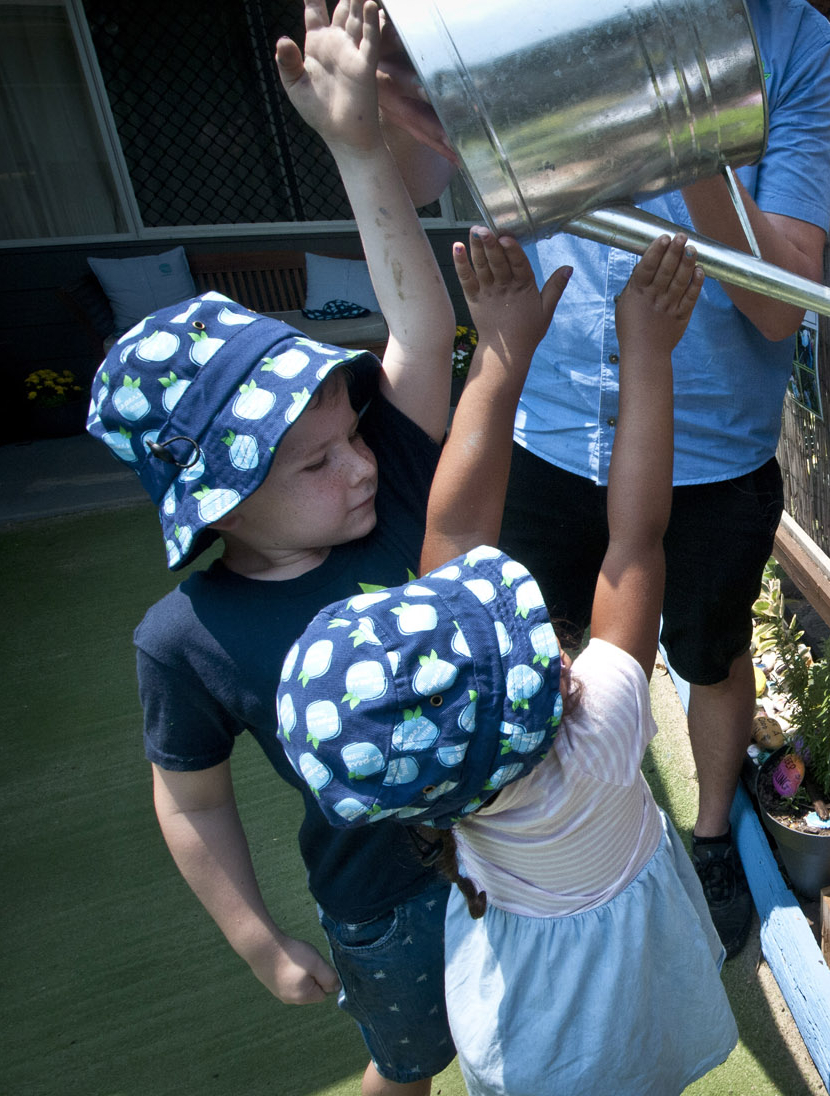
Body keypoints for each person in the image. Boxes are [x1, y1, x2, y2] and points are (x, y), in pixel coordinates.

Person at [84, 4, 505, 1093]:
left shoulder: (401, 476)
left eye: (351, 431)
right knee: (406, 1069)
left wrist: (361, 147)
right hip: (381, 904)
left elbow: (415, 331)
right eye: (312, 463)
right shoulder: (189, 639)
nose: (359, 465)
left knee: (539, 1039)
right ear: (219, 508)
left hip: (518, 848)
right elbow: (193, 797)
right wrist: (256, 938)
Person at [377, 0, 830, 955]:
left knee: (708, 654)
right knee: (522, 656)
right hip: (549, 424)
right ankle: (546, 845)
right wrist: (382, 82)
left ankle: (711, 834)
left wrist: (688, 131)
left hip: (713, 446)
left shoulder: (797, 44)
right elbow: (424, 167)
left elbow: (777, 309)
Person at [276, 229, 737, 1095]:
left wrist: (503, 349)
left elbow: (455, 534)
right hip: (628, 984)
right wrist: (643, 352)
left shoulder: (441, 780)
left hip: (524, 1022)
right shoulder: (597, 739)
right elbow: (632, 547)